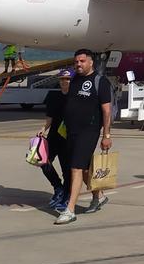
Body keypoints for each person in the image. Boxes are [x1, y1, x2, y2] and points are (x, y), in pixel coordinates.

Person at [55, 49, 113, 225]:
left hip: (89, 131)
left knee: (76, 169)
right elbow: (70, 101)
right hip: (71, 131)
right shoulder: (74, 80)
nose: (78, 64)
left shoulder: (100, 82)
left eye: (81, 61)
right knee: (85, 169)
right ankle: (98, 196)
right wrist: (64, 84)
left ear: (90, 62)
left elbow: (107, 111)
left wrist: (106, 135)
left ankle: (70, 209)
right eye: (76, 62)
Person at [39, 68, 73, 211]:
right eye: (62, 79)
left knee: (67, 171)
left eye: (67, 79)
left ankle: (65, 196)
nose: (64, 82)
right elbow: (50, 117)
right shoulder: (54, 97)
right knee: (43, 162)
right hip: (54, 137)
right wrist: (43, 129)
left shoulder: (76, 98)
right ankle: (57, 187)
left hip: (68, 139)